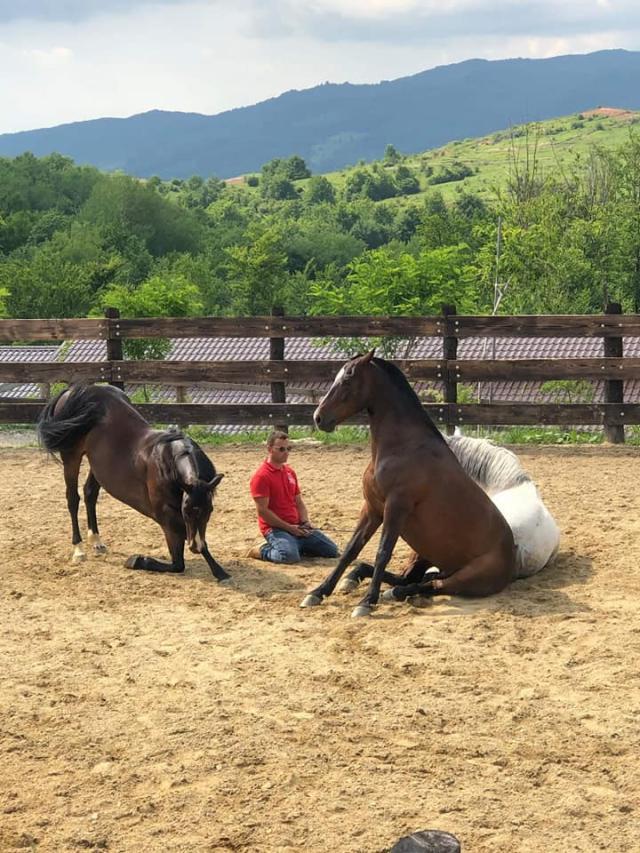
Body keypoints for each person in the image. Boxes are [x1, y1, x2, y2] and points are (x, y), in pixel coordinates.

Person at [247, 431, 339, 564]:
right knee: (288, 557)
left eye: (288, 448)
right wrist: (290, 528)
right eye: (281, 449)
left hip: (297, 526)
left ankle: (295, 545)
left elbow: (299, 501)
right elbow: (263, 511)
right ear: (269, 449)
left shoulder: (290, 472)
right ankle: (262, 551)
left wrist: (305, 522)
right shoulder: (261, 476)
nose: (286, 452)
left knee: (331, 551)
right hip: (275, 529)